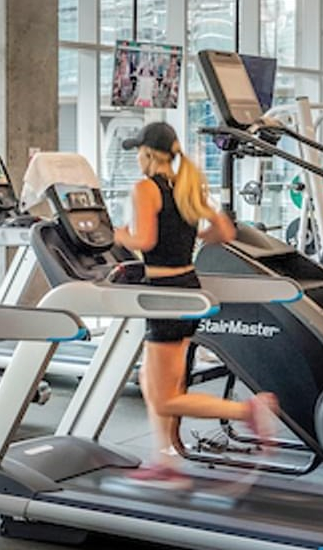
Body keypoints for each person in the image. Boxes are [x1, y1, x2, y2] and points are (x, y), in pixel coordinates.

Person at [113, 121, 280, 488]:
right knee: (151, 379)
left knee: (165, 399)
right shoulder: (185, 185)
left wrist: (117, 234)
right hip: (188, 286)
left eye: (138, 153)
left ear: (145, 154)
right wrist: (192, 236)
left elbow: (144, 238)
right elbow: (224, 230)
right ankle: (165, 458)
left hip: (165, 294)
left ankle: (247, 410)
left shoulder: (146, 188)